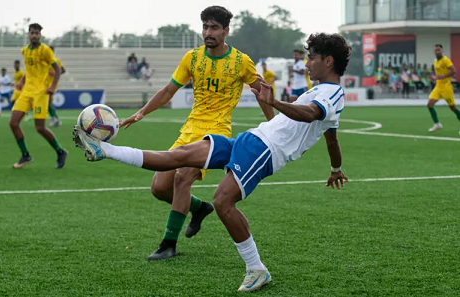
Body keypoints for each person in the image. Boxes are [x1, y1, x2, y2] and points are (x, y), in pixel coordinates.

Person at [73, 32, 350, 293]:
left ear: (328, 61)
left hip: (267, 150)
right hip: (251, 138)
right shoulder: (319, 91)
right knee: (176, 158)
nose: (307, 62)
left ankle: (257, 269)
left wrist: (275, 103)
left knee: (222, 201)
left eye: (312, 57)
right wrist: (336, 169)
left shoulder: (332, 93)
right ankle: (104, 150)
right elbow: (332, 140)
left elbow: (312, 114)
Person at [113, 6, 274, 261]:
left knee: (182, 178)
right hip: (190, 128)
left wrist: (272, 126)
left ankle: (168, 243)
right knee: (159, 187)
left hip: (216, 132)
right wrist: (141, 112)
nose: (208, 33)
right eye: (205, 27)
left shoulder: (241, 62)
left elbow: (263, 93)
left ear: (225, 31)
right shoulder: (192, 58)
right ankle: (199, 209)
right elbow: (168, 90)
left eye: (214, 28)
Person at [10, 23, 68, 169]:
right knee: (13, 122)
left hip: (41, 93)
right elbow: (29, 70)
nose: (34, 35)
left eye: (37, 33)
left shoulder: (45, 50)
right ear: (28, 34)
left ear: (40, 35)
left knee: (40, 128)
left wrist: (53, 87)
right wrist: (21, 82)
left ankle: (60, 151)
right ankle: (25, 155)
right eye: (32, 33)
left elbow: (58, 69)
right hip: (26, 92)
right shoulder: (24, 51)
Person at [427, 44, 460, 133]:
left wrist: (442, 77)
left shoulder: (446, 60)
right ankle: (437, 124)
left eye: (439, 50)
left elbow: (453, 71)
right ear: (434, 52)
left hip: (446, 88)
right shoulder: (435, 61)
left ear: (442, 51)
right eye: (436, 50)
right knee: (429, 104)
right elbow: (439, 74)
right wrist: (435, 78)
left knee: (453, 108)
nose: (437, 51)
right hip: (438, 87)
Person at [46, 46, 66, 127]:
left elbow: (63, 70)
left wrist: (54, 74)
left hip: (52, 84)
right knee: (48, 103)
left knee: (47, 102)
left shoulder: (56, 61)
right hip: (44, 84)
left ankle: (55, 118)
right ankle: (55, 118)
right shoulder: (45, 61)